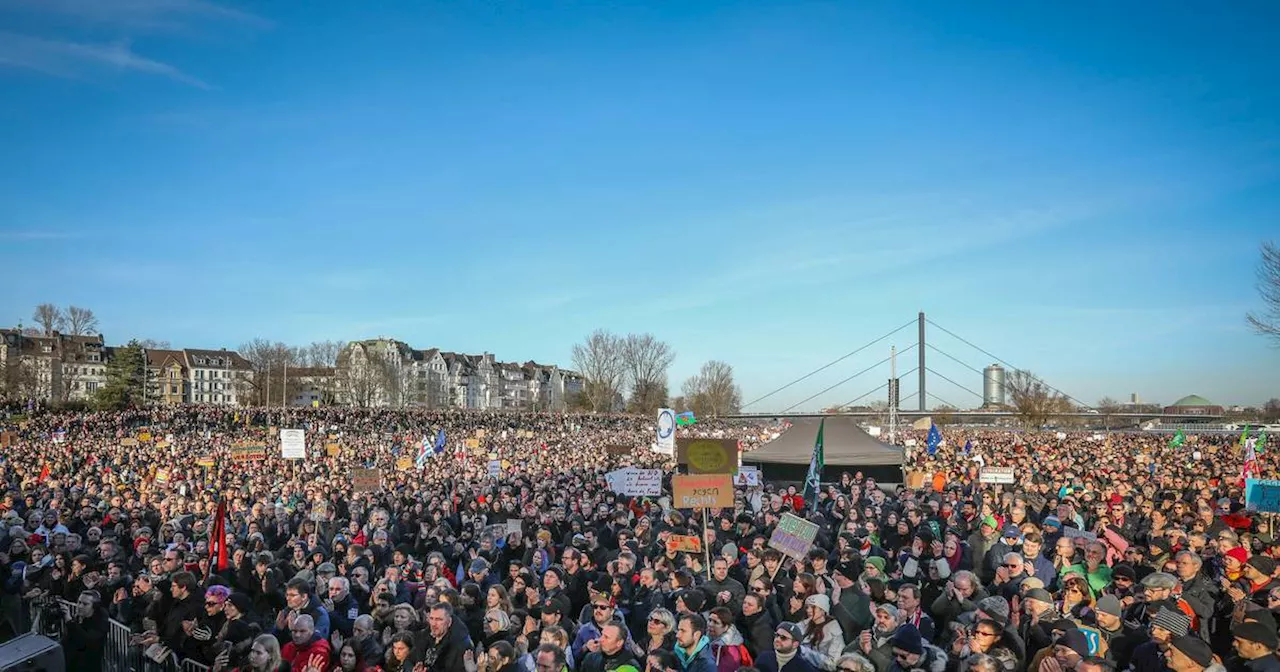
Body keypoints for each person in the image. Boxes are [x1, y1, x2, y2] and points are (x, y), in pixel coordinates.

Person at [756, 622, 821, 672]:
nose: (777, 639)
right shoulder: (763, 658)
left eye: (783, 638)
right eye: (777, 635)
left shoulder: (804, 668)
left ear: (795, 644)